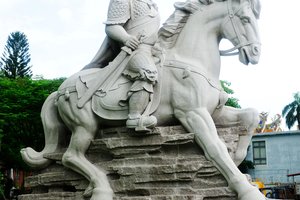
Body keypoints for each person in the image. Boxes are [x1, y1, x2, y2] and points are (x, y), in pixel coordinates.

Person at [84, 0, 161, 131]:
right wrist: (126, 38)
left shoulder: (151, 3)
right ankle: (135, 117)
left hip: (154, 50)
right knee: (148, 72)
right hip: (136, 51)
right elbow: (112, 26)